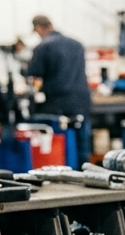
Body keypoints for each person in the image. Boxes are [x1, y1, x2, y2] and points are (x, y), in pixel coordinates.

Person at [27, 15, 92, 164]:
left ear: (38, 28)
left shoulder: (43, 47)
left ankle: (62, 171)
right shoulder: (77, 44)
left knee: (58, 144)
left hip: (57, 103)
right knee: (82, 143)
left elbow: (34, 74)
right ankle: (85, 172)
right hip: (81, 100)